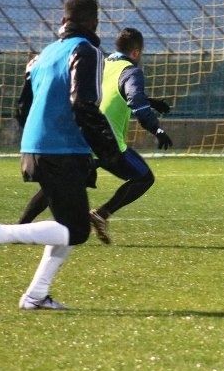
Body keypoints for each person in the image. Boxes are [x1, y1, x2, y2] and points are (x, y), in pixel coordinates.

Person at [0, 0, 124, 310]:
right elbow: (83, 103)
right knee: (76, 230)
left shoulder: (42, 55)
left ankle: (35, 296)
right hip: (62, 147)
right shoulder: (87, 51)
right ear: (94, 23)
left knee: (66, 225)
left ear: (63, 21)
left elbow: (22, 108)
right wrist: (108, 149)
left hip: (37, 145)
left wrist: (39, 137)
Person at [17, 27, 173, 245]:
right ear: (136, 52)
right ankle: (101, 214)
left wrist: (151, 102)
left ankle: (19, 228)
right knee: (144, 178)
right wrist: (156, 129)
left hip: (81, 137)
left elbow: (112, 91)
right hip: (106, 142)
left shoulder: (101, 63)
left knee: (58, 185)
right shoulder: (130, 71)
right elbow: (134, 99)